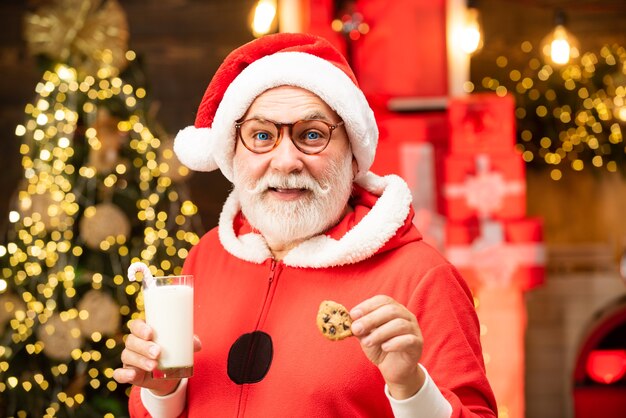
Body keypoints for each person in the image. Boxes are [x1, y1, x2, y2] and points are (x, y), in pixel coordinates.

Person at [113, 33, 498, 418]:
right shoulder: (207, 256)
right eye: (262, 135)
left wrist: (410, 388)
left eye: (311, 135)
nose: (285, 161)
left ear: (352, 155)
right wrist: (163, 391)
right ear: (233, 153)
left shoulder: (422, 277)